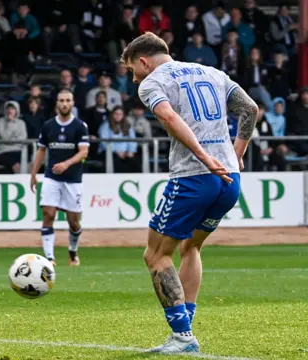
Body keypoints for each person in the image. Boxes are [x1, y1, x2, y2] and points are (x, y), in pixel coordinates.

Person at [121, 32, 258, 353]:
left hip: (194, 177)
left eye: (132, 69)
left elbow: (168, 116)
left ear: (143, 61)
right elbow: (250, 109)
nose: (133, 76)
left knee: (155, 255)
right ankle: (186, 330)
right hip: (229, 180)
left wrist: (205, 157)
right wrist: (236, 153)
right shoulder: (211, 72)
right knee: (190, 246)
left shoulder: (152, 82)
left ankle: (182, 336)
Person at [29, 89, 89, 266]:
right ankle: (49, 258)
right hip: (51, 177)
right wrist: (33, 174)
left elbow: (84, 151)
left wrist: (66, 164)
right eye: (61, 100)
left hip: (73, 179)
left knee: (74, 222)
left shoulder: (80, 126)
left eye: (67, 100)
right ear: (57, 103)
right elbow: (41, 150)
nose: (64, 103)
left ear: (72, 103)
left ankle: (73, 252)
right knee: (48, 214)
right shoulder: (48, 126)